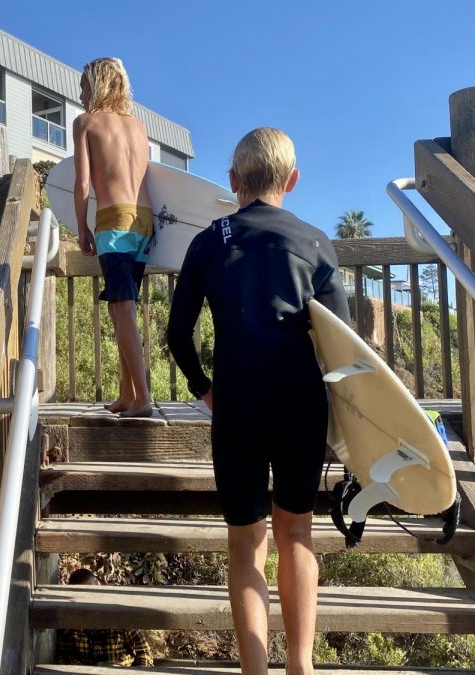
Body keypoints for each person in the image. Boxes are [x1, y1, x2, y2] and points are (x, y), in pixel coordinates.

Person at [167, 128, 351, 675]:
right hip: (300, 403)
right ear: (291, 181)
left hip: (239, 405)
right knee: (296, 532)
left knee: (247, 544)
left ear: (233, 181)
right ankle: (301, 666)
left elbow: (179, 335)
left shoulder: (208, 241)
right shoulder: (316, 241)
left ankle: (255, 670)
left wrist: (206, 390)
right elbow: (345, 343)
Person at [73, 57, 153, 417]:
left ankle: (144, 399)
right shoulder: (138, 127)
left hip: (113, 222)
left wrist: (81, 226)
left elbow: (83, 185)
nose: (79, 91)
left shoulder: (86, 123)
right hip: (145, 221)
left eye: (83, 84)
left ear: (98, 84)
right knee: (121, 305)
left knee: (123, 309)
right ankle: (126, 393)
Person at [55, 568, 154, 667]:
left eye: (93, 589)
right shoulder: (71, 626)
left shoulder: (120, 617)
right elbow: (64, 657)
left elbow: (144, 652)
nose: (91, 596)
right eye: (85, 594)